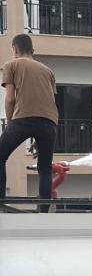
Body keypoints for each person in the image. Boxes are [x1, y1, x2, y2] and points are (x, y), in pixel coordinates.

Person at [0, 33, 59, 208]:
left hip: (23, 119)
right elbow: (49, 101)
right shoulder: (48, 71)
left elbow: (10, 99)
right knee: (45, 168)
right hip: (49, 123)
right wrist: (38, 136)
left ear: (15, 49)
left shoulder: (11, 65)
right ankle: (43, 211)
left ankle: (0, 202)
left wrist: (11, 124)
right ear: (32, 50)